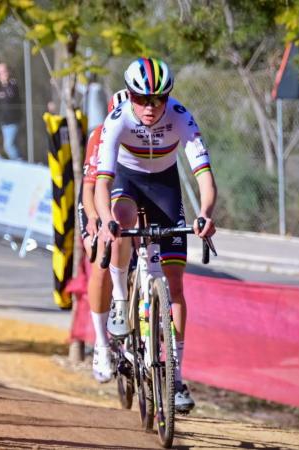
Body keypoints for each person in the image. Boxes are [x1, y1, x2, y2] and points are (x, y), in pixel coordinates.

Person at [94, 57, 217, 413]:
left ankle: (175, 377)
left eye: (158, 99)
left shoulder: (180, 116)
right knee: (121, 219)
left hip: (165, 188)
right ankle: (120, 301)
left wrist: (205, 215)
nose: (151, 107)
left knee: (175, 285)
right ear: (130, 96)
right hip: (127, 181)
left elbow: (205, 178)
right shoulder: (117, 120)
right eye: (142, 98)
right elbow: (103, 182)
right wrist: (105, 221)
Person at [80, 89, 129, 383]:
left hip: (125, 196)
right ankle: (100, 343)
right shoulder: (100, 135)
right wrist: (95, 221)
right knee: (101, 255)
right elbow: (89, 189)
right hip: (95, 199)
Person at [0, 63, 22, 159]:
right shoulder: (1, 88)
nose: (1, 75)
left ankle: (20, 164)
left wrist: (3, 93)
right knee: (9, 145)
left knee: (9, 146)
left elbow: (9, 98)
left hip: (12, 121)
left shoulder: (12, 84)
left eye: (3, 72)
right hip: (4, 122)